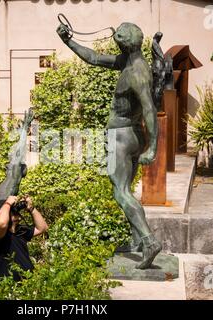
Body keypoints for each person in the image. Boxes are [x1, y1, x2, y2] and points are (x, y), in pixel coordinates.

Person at [57, 21, 162, 269]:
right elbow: (93, 58)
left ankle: (149, 241)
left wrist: (154, 148)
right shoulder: (129, 62)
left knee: (120, 191)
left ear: (125, 44)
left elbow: (149, 109)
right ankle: (137, 241)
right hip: (133, 136)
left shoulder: (136, 73)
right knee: (127, 189)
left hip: (121, 137)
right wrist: (67, 41)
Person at [0, 194, 48, 284]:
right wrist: (8, 203)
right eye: (13, 211)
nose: (17, 212)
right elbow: (1, 223)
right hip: (7, 288)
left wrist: (31, 209)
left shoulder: (20, 230)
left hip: (27, 284)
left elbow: (42, 228)